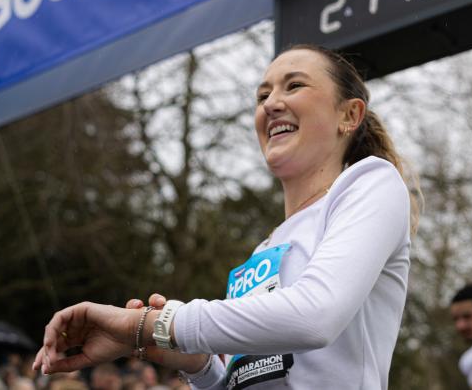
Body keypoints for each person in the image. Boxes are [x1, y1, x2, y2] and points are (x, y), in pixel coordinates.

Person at [32, 44, 421, 389]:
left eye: (294, 86)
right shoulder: (265, 249)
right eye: (262, 95)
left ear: (349, 114)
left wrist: (152, 324)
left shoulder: (372, 182)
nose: (270, 104)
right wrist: (195, 364)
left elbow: (315, 316)